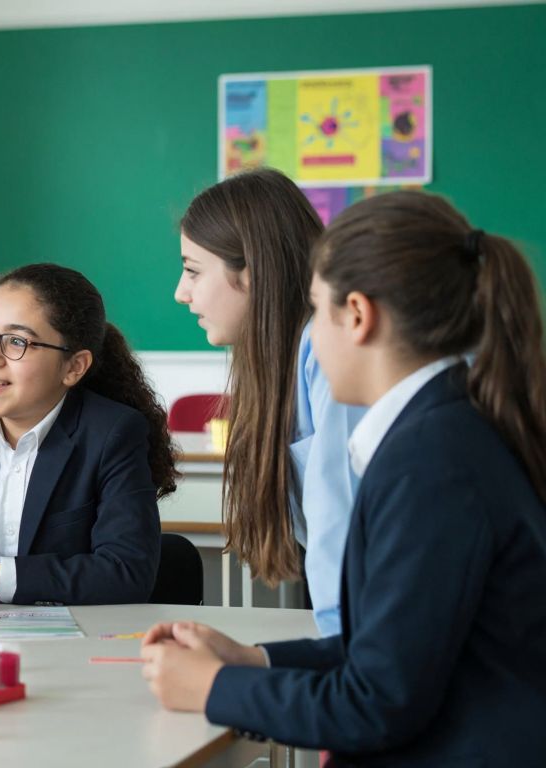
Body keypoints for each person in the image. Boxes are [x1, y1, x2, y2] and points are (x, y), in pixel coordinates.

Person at [143, 191, 546, 764]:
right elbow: (385, 655)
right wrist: (254, 662)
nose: (306, 334)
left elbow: (376, 702)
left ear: (357, 315)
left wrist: (211, 689)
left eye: (314, 308)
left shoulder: (431, 463)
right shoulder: (438, 434)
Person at [0, 264, 175, 616]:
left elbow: (126, 571)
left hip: (76, 650)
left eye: (17, 342)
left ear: (74, 367)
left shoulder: (112, 433)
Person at [174, 168, 364, 635]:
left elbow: (343, 541)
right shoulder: (286, 360)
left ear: (252, 272)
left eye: (194, 270)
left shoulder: (327, 355)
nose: (181, 293)